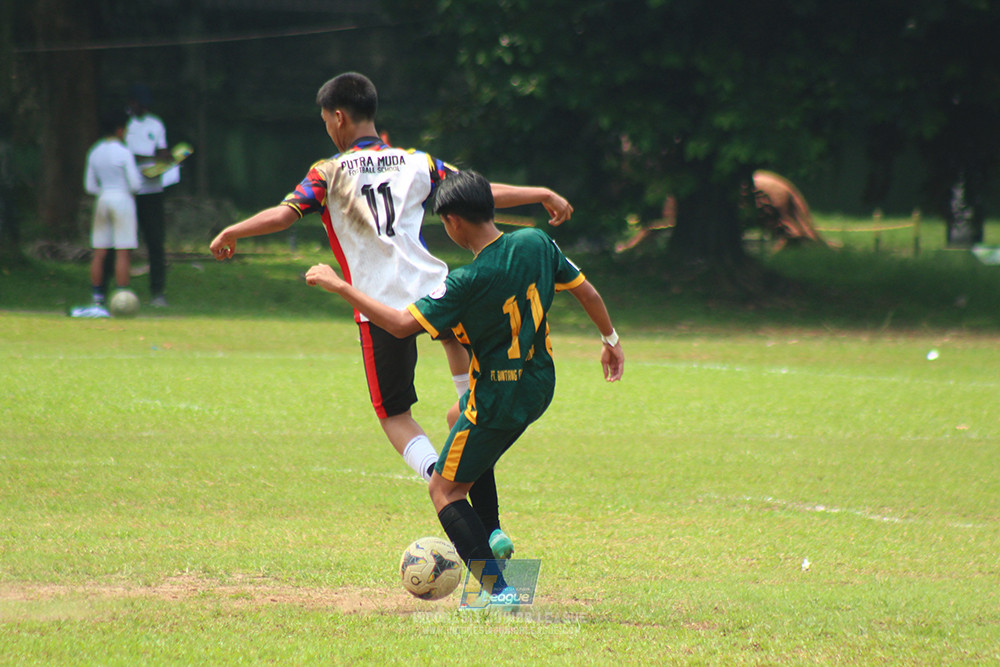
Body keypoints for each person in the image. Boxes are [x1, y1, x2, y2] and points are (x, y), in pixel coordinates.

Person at [209, 74, 573, 552]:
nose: (327, 128)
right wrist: (539, 193)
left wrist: (233, 231)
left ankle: (441, 478)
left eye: (325, 120)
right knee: (470, 406)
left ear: (338, 116)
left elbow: (284, 214)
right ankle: (493, 527)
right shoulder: (415, 161)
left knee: (394, 414)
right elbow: (478, 195)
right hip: (438, 293)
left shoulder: (327, 172)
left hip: (380, 305)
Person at [305, 170, 624, 596]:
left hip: (497, 400)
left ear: (453, 222)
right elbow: (588, 293)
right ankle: (492, 530)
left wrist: (339, 285)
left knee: (444, 490)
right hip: (538, 385)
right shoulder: (536, 242)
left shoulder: (465, 282)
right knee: (457, 414)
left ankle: (499, 591)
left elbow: (399, 325)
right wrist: (610, 340)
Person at [75, 109, 142, 318]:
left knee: (100, 251)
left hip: (102, 199)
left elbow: (89, 186)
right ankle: (122, 295)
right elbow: (135, 184)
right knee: (123, 250)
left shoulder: (95, 151)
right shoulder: (124, 152)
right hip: (122, 199)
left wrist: (105, 191)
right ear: (120, 130)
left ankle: (97, 296)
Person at [124, 83, 172, 307]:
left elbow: (161, 151)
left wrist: (166, 160)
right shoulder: (124, 124)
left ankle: (158, 291)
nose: (143, 108)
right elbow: (126, 155)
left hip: (152, 190)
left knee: (155, 242)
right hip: (129, 191)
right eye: (139, 104)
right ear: (132, 103)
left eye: (146, 105)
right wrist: (148, 158)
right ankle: (121, 288)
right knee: (124, 242)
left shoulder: (156, 123)